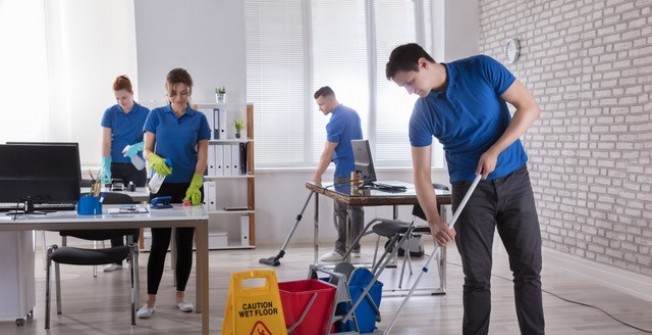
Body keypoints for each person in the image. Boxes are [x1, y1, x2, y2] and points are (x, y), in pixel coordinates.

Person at [385, 43, 544, 335]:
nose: (409, 91)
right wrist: (433, 219)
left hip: (515, 181)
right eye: (403, 88)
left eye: (409, 82)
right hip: (469, 190)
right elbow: (420, 173)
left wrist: (495, 150)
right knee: (477, 277)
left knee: (528, 271)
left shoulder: (481, 68)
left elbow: (530, 108)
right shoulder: (422, 114)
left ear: (423, 63)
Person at [136, 68, 210, 318]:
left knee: (184, 242)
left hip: (189, 185)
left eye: (185, 93)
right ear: (167, 92)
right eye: (175, 93)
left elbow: (202, 154)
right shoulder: (156, 115)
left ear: (190, 91)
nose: (180, 98)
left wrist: (196, 182)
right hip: (162, 185)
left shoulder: (199, 119)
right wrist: (154, 158)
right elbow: (146, 150)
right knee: (159, 243)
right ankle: (150, 300)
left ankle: (181, 295)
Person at [100, 75, 149, 272]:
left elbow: (150, 142)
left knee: (135, 210)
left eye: (124, 98)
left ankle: (132, 253)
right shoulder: (110, 113)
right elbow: (105, 142)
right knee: (114, 211)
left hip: (137, 164)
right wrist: (105, 166)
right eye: (118, 98)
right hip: (116, 166)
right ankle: (116, 258)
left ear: (132, 93)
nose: (121, 102)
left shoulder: (145, 113)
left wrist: (136, 147)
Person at [312, 86, 364, 262]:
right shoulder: (352, 113)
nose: (320, 109)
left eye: (320, 105)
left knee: (341, 211)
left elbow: (327, 152)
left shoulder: (336, 120)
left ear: (329, 100)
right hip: (359, 171)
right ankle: (355, 248)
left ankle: (341, 250)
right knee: (356, 209)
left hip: (344, 172)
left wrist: (317, 175)